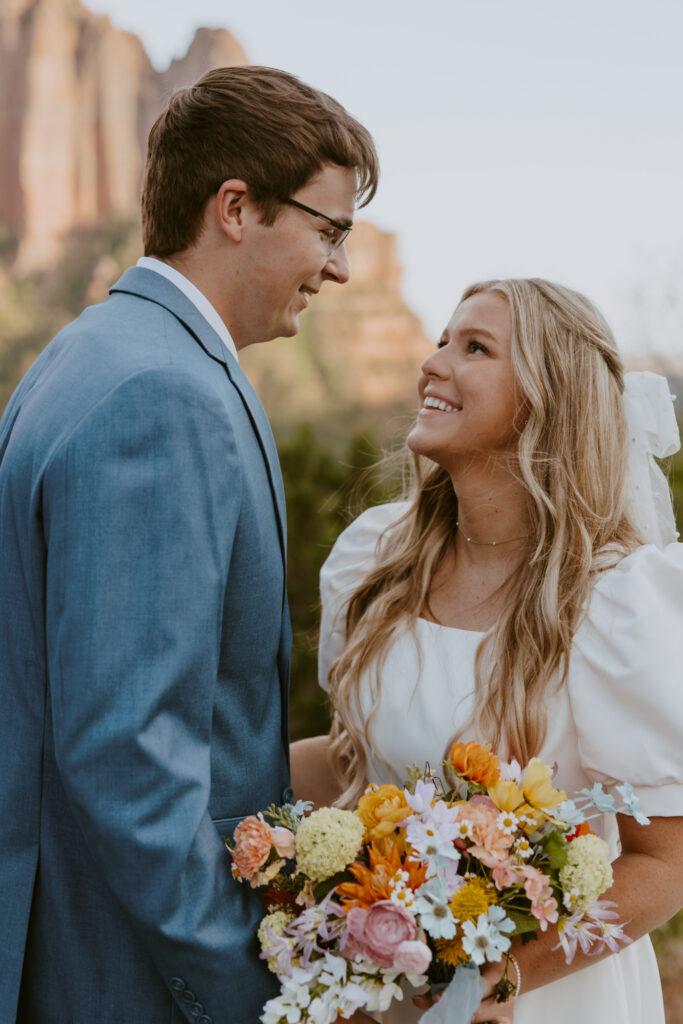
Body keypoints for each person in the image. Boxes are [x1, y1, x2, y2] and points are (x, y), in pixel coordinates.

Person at [0, 66, 377, 1024]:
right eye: (327, 230)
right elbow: (130, 749)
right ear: (237, 207)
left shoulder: (91, 349)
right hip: (123, 968)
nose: (339, 268)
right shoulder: (162, 396)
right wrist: (245, 979)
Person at [294, 278, 683, 1024]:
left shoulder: (615, 606)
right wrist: (204, 794)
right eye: (441, 339)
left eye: (474, 348)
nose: (433, 363)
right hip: (386, 984)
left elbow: (664, 864)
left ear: (542, 400)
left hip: (546, 995)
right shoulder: (375, 562)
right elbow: (356, 763)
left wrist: (499, 981)